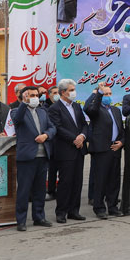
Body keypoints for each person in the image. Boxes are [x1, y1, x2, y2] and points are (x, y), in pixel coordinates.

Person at [10, 86, 55, 231]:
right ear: (24, 97)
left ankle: (39, 216)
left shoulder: (43, 112)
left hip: (43, 156)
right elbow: (17, 120)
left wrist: (46, 135)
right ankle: (21, 221)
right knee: (24, 190)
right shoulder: (17, 111)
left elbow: (52, 127)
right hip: (27, 158)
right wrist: (24, 102)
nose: (35, 97)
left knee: (40, 190)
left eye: (36, 95)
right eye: (31, 95)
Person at [47, 79, 88, 223]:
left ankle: (74, 211)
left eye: (73, 89)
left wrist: (82, 136)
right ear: (63, 92)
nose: (73, 92)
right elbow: (58, 128)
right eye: (71, 90)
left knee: (77, 182)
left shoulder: (76, 106)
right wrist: (74, 139)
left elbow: (84, 124)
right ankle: (61, 212)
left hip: (79, 148)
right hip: (65, 150)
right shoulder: (55, 108)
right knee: (65, 182)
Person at [84, 85, 125, 218]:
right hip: (102, 149)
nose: (108, 96)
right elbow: (89, 109)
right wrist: (98, 94)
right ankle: (99, 208)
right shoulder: (96, 110)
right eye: (105, 94)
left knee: (114, 180)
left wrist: (122, 142)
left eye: (109, 93)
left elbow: (121, 130)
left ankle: (113, 206)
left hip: (115, 149)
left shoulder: (116, 110)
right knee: (100, 180)